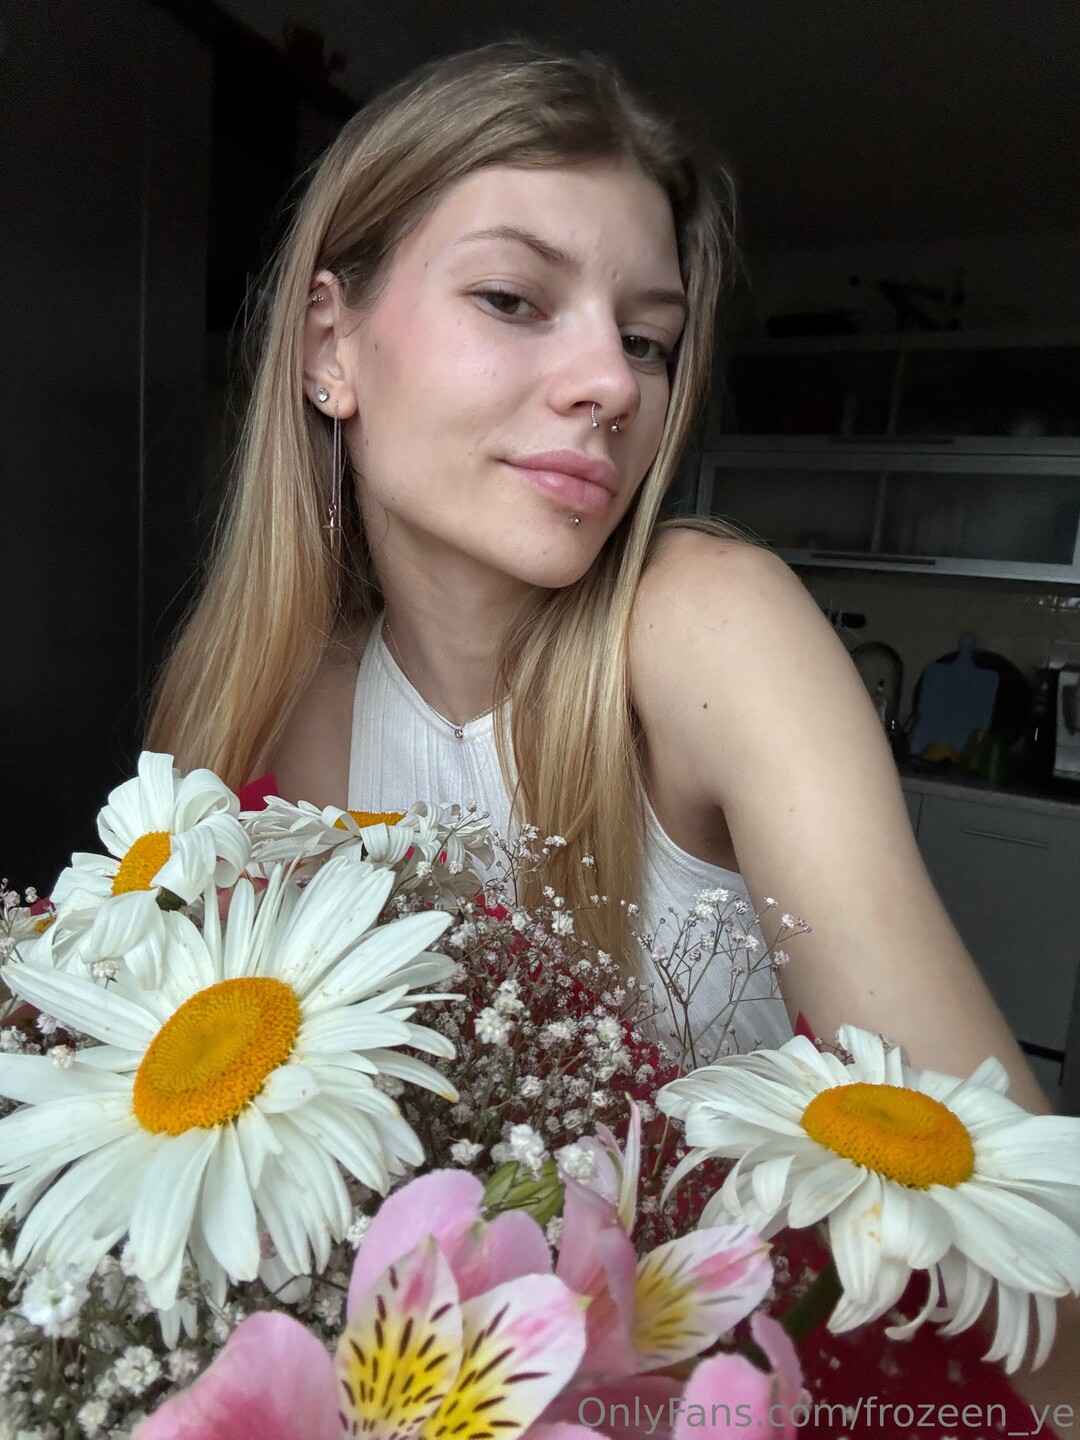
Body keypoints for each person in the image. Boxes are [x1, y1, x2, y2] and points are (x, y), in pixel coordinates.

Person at [147, 42, 1076, 1425]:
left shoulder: (707, 626)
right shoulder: (260, 702)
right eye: (514, 298)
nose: (613, 384)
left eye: (646, 338)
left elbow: (1025, 1252)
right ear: (330, 345)